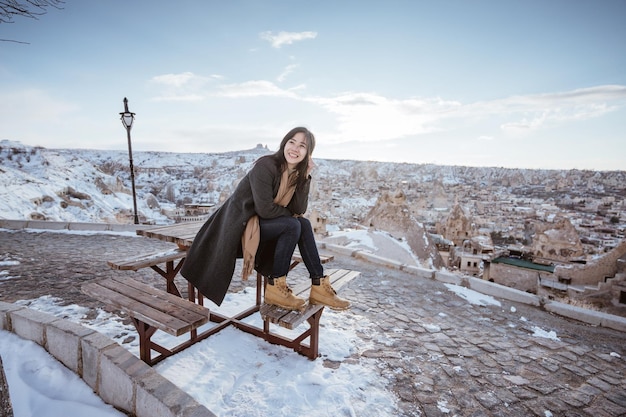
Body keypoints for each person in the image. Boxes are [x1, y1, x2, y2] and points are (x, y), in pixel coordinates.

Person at [180, 127, 349, 311]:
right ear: (284, 143)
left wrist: (305, 177)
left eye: (302, 146)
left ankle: (318, 285)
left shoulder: (296, 175)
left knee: (303, 223)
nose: (295, 148)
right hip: (238, 227)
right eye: (292, 142)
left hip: (260, 225)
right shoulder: (265, 166)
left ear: (308, 153)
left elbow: (299, 209)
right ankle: (275, 287)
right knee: (293, 225)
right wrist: (293, 217)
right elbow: (266, 210)